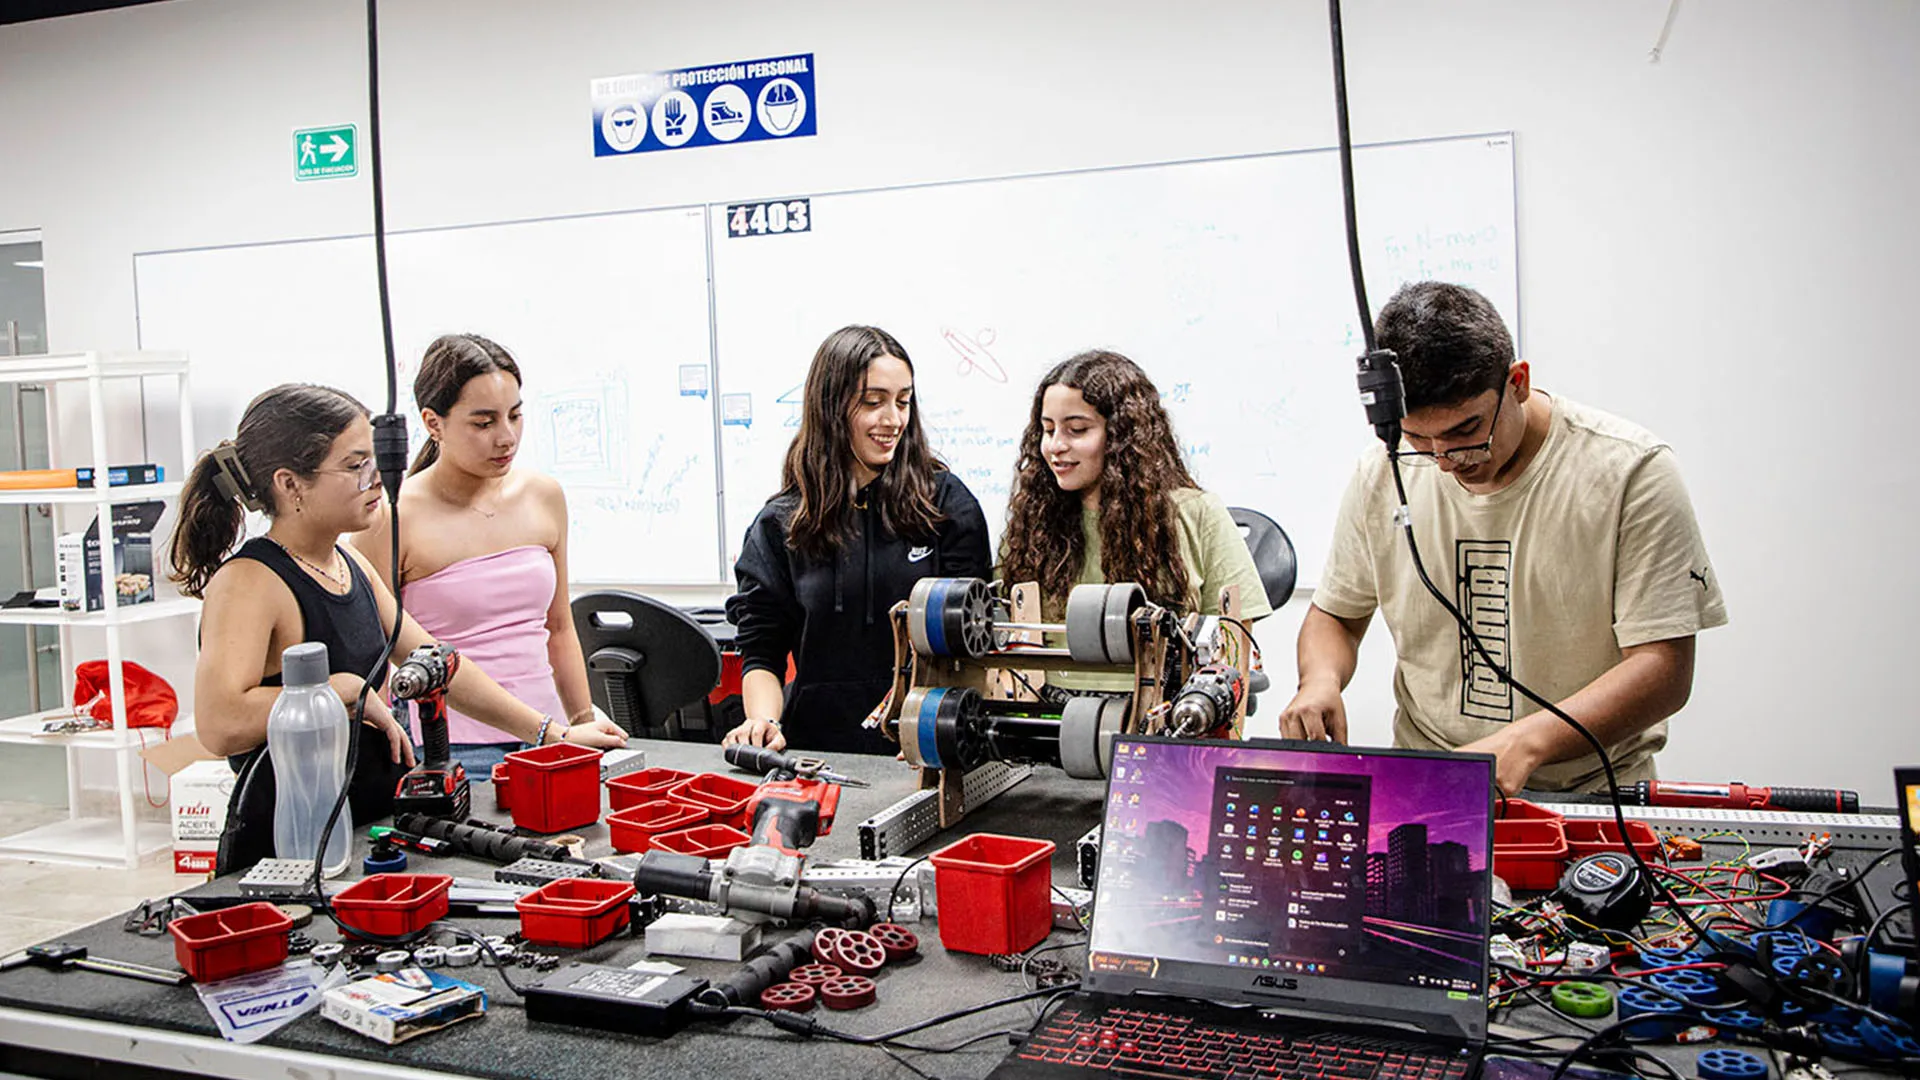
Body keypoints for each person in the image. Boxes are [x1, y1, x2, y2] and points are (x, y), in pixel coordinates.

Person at [1281, 281, 1726, 794]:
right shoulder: (1383, 472)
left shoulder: (1631, 472)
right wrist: (1319, 681)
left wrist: (1526, 743)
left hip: (1594, 794)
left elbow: (1663, 669)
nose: (1445, 462)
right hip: (1435, 784)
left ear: (1517, 382)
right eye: (1418, 438)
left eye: (1465, 432)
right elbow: (1337, 615)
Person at [173, 384, 626, 870]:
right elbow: (220, 724)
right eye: (355, 466)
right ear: (290, 484)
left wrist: (551, 733)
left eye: (373, 461)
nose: (376, 480)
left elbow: (440, 666)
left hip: (365, 827)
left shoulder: (348, 565)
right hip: (293, 853)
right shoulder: (250, 581)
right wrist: (341, 690)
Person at [724, 325, 991, 754]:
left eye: (902, 401)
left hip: (923, 747)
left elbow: (972, 645)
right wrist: (763, 723)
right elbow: (761, 652)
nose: (893, 420)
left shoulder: (945, 504)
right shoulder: (781, 524)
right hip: (815, 751)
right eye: (873, 402)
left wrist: (940, 730)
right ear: (830, 405)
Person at [351, 334, 593, 777]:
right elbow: (377, 656)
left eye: (515, 416)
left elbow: (559, 628)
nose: (506, 438)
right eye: (483, 423)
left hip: (552, 737)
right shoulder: (391, 516)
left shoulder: (543, 495)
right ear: (433, 422)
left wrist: (583, 722)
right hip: (453, 749)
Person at [999, 350, 1272, 695]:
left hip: (1162, 710)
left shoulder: (1198, 514)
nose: (1055, 446)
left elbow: (1234, 647)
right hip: (1049, 709)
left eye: (1077, 430)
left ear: (1121, 435)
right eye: (1048, 429)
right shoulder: (1033, 520)